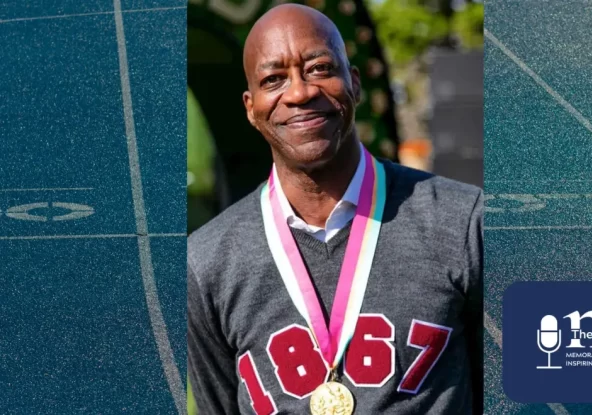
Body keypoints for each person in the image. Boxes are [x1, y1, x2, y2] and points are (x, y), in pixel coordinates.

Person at [187, 4, 483, 415]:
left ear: (354, 84)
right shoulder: (207, 262)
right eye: (273, 79)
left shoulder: (463, 220)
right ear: (251, 108)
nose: (299, 92)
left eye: (319, 69)